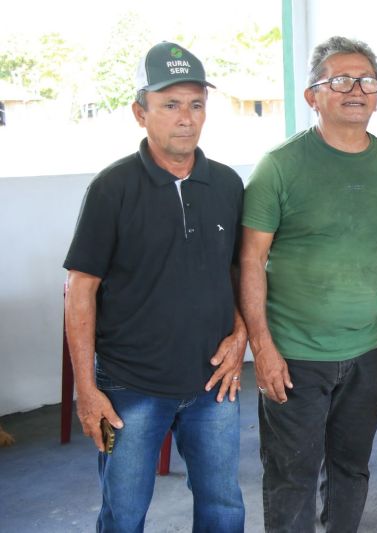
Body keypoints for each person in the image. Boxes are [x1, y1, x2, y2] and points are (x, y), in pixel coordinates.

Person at [63, 42, 246, 532]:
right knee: (123, 514)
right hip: (129, 388)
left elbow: (239, 274)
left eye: (195, 104)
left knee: (224, 506)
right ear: (140, 113)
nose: (185, 118)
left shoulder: (227, 185)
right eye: (170, 105)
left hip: (213, 383)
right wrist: (87, 388)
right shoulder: (112, 189)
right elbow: (80, 289)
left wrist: (241, 335)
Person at [238, 36, 377, 532]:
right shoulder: (281, 166)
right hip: (293, 355)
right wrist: (262, 348)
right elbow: (251, 260)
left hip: (366, 354)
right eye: (340, 80)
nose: (355, 89)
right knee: (291, 473)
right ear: (314, 95)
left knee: (351, 469)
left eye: (366, 81)